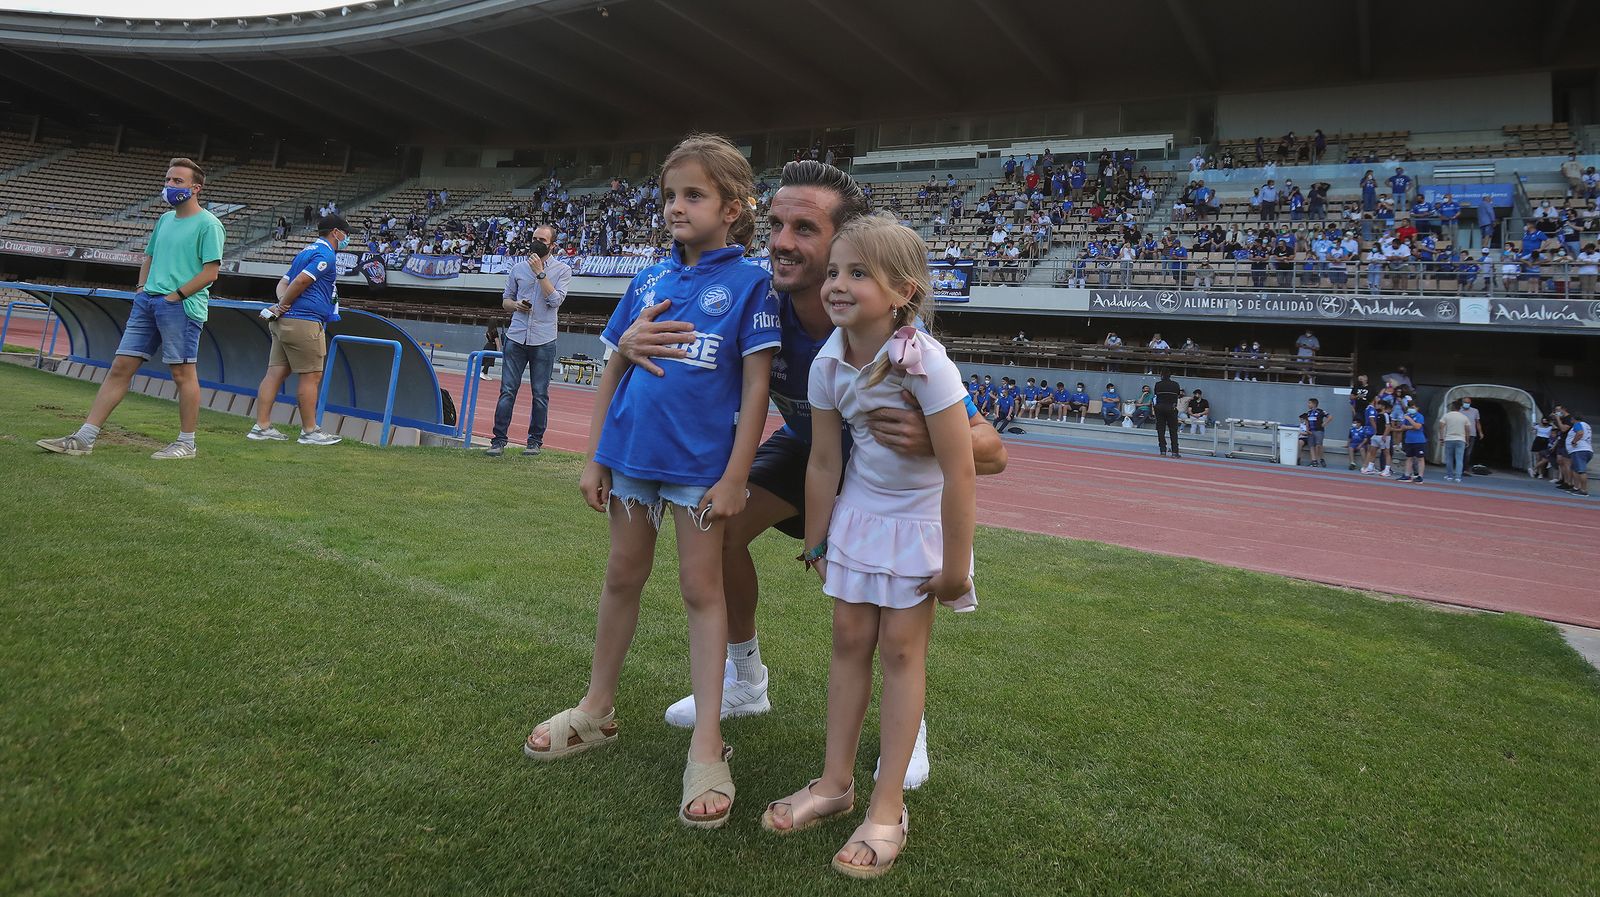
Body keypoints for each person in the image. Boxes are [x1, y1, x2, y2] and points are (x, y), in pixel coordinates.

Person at [621, 161, 1005, 790]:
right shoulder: (757, 305)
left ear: (846, 245)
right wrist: (630, 344)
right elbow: (683, 329)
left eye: (804, 228)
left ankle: (907, 730)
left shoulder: (891, 334)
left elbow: (992, 452)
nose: (781, 241)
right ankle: (744, 680)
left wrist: (936, 440)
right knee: (714, 533)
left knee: (889, 600)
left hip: (884, 478)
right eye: (775, 224)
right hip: (811, 454)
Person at [521, 135, 781, 832]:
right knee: (621, 575)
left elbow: (756, 389)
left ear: (733, 207)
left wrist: (735, 475)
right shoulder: (647, 280)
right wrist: (593, 456)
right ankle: (597, 707)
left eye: (693, 194)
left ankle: (707, 742)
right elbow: (614, 367)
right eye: (670, 194)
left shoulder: (753, 284)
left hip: (701, 471)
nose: (676, 206)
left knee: (701, 589)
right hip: (631, 457)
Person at [761, 215, 975, 879]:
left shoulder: (926, 361)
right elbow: (823, 461)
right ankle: (834, 783)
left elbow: (961, 466)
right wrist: (819, 536)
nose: (838, 284)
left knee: (902, 651)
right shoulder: (829, 361)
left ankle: (887, 807)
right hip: (857, 519)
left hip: (916, 529)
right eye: (834, 272)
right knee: (848, 642)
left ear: (903, 291)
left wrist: (957, 566)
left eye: (858, 273)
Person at [38, 158, 223, 460]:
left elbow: (210, 273)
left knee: (182, 373)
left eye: (177, 181)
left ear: (195, 187)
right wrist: (141, 290)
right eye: (168, 179)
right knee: (120, 368)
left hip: (181, 306)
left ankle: (187, 443)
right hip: (147, 302)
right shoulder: (164, 220)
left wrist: (174, 297)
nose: (169, 185)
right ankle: (85, 437)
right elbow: (148, 257)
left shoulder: (209, 224)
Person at [247, 213, 349, 446]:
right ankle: (309, 431)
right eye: (346, 234)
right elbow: (301, 281)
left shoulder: (305, 251)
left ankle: (261, 426)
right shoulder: (325, 254)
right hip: (305, 322)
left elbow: (283, 283)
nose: (347, 238)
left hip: (285, 322)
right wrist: (284, 305)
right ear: (336, 232)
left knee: (275, 373)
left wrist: (283, 307)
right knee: (311, 375)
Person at [488, 225, 571, 457]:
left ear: (552, 245)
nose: (536, 242)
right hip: (516, 336)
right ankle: (498, 440)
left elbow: (555, 301)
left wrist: (540, 273)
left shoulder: (563, 270)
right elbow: (505, 300)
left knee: (540, 393)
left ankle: (534, 441)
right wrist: (516, 306)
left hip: (544, 339)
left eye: (542, 239)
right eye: (534, 238)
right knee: (507, 390)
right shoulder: (517, 268)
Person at [1438, 400, 1472, 482]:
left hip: (1449, 439)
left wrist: (1441, 438)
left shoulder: (1446, 416)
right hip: (1461, 439)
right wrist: (1467, 440)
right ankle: (1458, 477)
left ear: (1452, 407)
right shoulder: (1464, 417)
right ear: (1460, 407)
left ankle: (1449, 475)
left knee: (1449, 458)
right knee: (1459, 459)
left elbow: (1441, 427)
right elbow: (1468, 430)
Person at [1153, 370, 1182, 457]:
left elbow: (1156, 394)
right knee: (1173, 430)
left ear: (1161, 376)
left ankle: (1163, 450)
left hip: (1160, 408)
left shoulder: (1158, 384)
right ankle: (1175, 452)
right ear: (1170, 376)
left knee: (1160, 430)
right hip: (1171, 408)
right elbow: (1178, 394)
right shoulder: (1175, 384)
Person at [1396, 401, 1428, 484]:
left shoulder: (1420, 416)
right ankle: (1407, 475)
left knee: (1420, 458)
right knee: (1409, 457)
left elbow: (1418, 426)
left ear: (1417, 408)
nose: (1411, 409)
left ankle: (1420, 476)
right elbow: (1402, 427)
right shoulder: (1407, 416)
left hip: (1419, 440)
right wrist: (1411, 426)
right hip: (1409, 440)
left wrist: (1410, 421)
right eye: (1410, 407)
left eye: (1413, 407)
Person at [1564, 414, 1591, 497]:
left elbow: (1580, 433)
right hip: (1584, 449)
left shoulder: (1578, 424)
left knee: (1581, 470)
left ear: (1573, 419)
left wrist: (1573, 442)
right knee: (1575, 469)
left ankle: (1583, 490)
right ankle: (1576, 487)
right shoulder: (1586, 425)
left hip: (1579, 450)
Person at [1458, 395, 1484, 476]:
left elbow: (1477, 422)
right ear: (1462, 403)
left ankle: (1465, 469)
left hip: (1472, 434)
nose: (1467, 404)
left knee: (1468, 453)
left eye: (1468, 402)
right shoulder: (1459, 411)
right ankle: (1459, 468)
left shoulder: (1475, 411)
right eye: (1465, 402)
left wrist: (1480, 432)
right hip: (1460, 433)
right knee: (1460, 452)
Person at [1303, 398, 1328, 467]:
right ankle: (1314, 460)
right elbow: (1307, 421)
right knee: (1311, 446)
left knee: (1318, 445)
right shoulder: (1308, 413)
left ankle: (1320, 459)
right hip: (1311, 431)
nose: (1308, 404)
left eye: (1309, 403)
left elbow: (1330, 416)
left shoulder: (1320, 411)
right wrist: (1307, 429)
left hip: (1319, 431)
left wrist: (1325, 423)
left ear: (1314, 404)